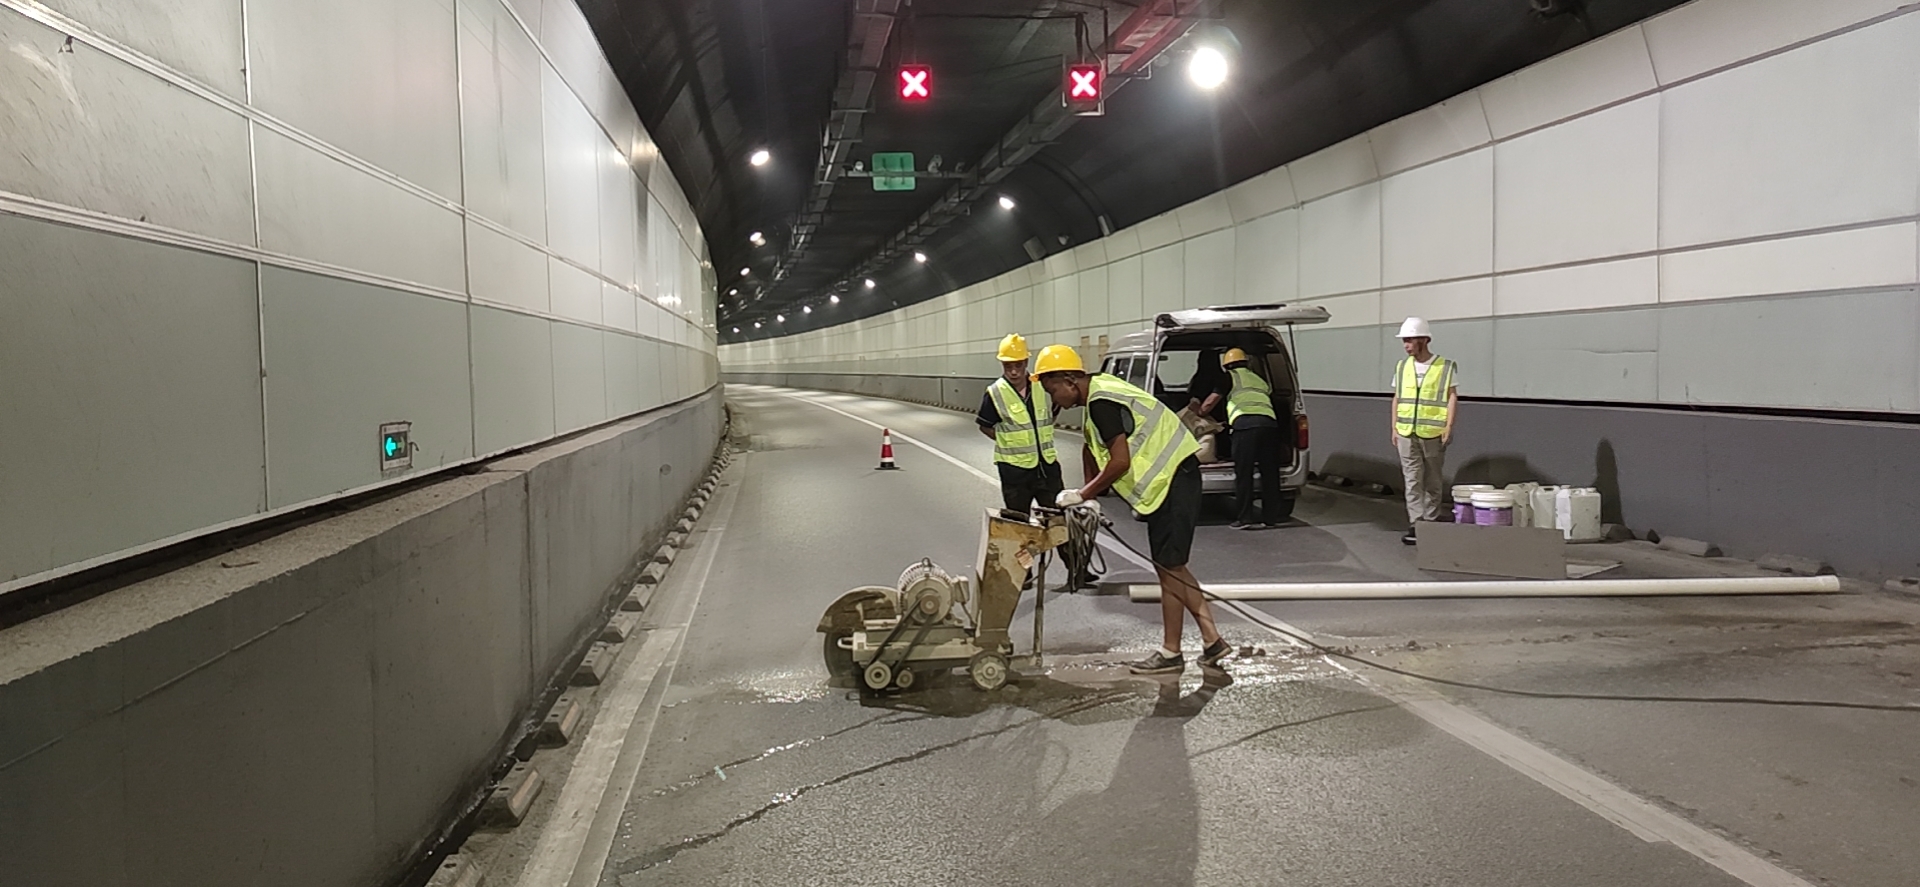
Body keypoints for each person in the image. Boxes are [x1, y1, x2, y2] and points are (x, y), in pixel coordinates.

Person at [1034, 344, 1231, 674]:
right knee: (1174, 568)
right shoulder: (1100, 392)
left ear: (1069, 380)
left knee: (1170, 570)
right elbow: (1091, 447)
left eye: (1052, 389)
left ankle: (1171, 653)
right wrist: (1091, 494)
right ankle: (1212, 641)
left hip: (1172, 482)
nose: (1054, 399)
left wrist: (1082, 495)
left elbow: (1120, 461)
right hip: (1177, 479)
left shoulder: (1101, 402)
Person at [976, 333, 1063, 516]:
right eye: (1009, 366)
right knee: (1018, 526)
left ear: (1026, 363)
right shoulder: (995, 392)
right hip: (1014, 473)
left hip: (1047, 468)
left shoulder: (1042, 386)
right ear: (1002, 365)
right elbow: (985, 425)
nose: (1014, 371)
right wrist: (1009, 440)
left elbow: (1053, 413)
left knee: (1058, 523)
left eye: (1018, 365)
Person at [1198, 348, 1285, 529]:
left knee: (1244, 473)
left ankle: (1244, 518)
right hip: (1269, 425)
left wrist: (1200, 413)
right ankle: (1271, 517)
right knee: (1270, 473)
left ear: (1227, 365)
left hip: (1245, 426)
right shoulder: (1259, 379)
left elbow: (1210, 402)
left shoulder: (1229, 377)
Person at [1390, 317, 1458, 545]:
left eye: (1409, 340)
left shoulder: (1445, 367)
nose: (1406, 345)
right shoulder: (1402, 367)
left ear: (1424, 340)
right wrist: (1394, 427)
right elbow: (1397, 398)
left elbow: (1451, 396)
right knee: (1411, 479)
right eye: (1404, 341)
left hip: (1433, 432)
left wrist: (1448, 426)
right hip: (1405, 431)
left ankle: (1430, 520)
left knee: (1433, 480)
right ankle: (1416, 524)